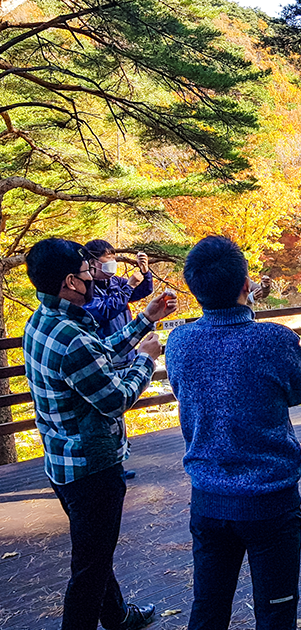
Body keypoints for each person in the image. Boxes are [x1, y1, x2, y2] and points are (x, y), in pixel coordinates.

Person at [23, 238, 176, 630]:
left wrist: (145, 318)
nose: (94, 276)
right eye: (88, 271)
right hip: (92, 469)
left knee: (96, 551)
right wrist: (146, 359)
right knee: (90, 567)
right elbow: (115, 398)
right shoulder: (71, 336)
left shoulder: (44, 321)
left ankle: (118, 616)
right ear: (71, 282)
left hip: (61, 459)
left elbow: (97, 353)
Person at [165, 236, 301, 630]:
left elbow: (184, 391)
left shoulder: (179, 340)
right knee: (276, 612)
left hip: (208, 497)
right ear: (246, 285)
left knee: (208, 610)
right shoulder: (275, 339)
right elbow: (300, 391)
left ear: (195, 288)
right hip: (271, 501)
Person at [83, 240, 154, 368]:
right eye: (108, 258)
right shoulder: (85, 289)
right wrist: (129, 286)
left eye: (114, 258)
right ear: (92, 262)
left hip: (128, 354)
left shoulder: (115, 282)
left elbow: (143, 291)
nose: (113, 262)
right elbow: (105, 310)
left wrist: (145, 272)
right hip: (106, 357)